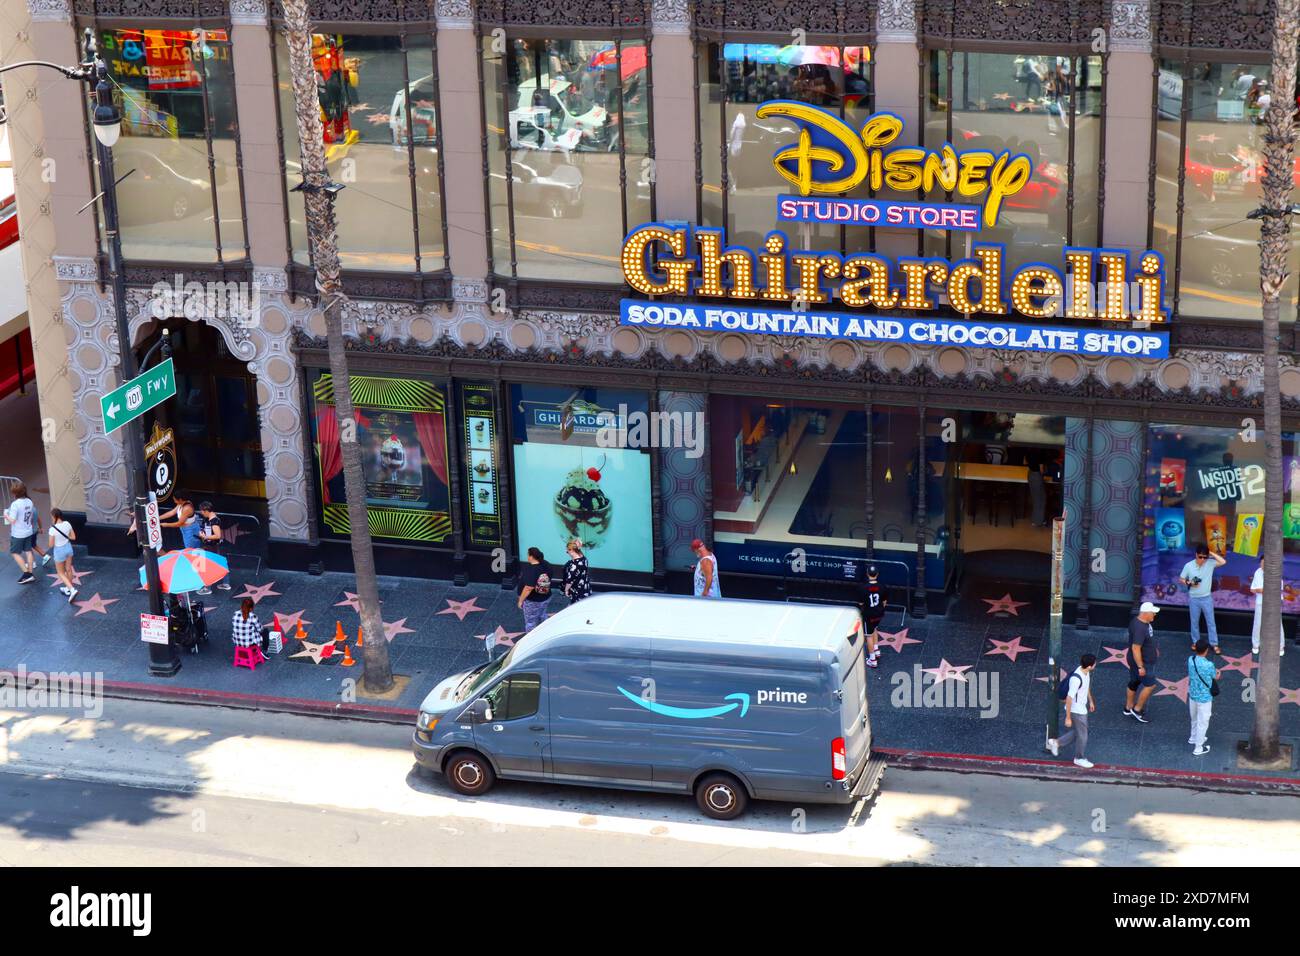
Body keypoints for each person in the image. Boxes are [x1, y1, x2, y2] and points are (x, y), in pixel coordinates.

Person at [1047, 653, 1097, 768]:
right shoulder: (1076, 679)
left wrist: (1090, 700)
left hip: (1081, 707)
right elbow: (1069, 698)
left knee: (1080, 732)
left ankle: (1057, 742)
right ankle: (1079, 758)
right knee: (1083, 734)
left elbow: (1086, 685)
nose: (1095, 665)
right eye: (1094, 664)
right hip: (1077, 710)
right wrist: (1068, 717)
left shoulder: (1084, 671)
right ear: (1089, 666)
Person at [1181, 543, 1226, 654]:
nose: (1202, 559)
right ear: (1196, 555)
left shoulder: (1210, 563)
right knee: (1194, 621)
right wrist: (1189, 582)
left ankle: (1214, 644)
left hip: (1206, 598)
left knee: (1211, 621)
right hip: (1194, 598)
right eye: (1200, 556)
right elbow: (1181, 579)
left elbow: (1223, 561)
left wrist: (1210, 553)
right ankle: (1195, 642)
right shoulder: (1188, 565)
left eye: (1204, 557)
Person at [1124, 601, 1162, 723]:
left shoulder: (1139, 622)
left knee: (1134, 682)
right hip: (1142, 662)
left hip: (1138, 660)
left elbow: (1146, 640)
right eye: (1153, 613)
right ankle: (1137, 709)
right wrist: (1141, 666)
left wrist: (1153, 648)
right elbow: (1136, 648)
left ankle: (1128, 707)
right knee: (1151, 685)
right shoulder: (1140, 628)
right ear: (1145, 613)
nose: (1154, 615)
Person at [1250, 553, 1285, 657]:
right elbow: (1252, 589)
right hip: (1260, 602)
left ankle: (1281, 646)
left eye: (1265, 563)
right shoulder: (1257, 572)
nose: (1263, 565)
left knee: (1278, 624)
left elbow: (1277, 590)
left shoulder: (1276, 573)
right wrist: (1260, 590)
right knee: (1257, 624)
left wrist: (1264, 590)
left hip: (1274, 603)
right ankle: (1255, 645)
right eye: (1261, 563)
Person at [1187, 638, 1218, 756]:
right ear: (1206, 651)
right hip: (1204, 698)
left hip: (1192, 695)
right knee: (1203, 722)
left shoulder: (1191, 659)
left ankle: (1193, 737)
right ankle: (1198, 748)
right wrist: (1218, 673)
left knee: (1194, 718)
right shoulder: (1209, 664)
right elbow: (1215, 676)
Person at [4, 481, 38, 584]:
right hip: (28, 530)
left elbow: (12, 520)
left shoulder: (15, 504)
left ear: (15, 493)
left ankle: (27, 573)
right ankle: (30, 572)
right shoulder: (29, 501)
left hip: (18, 533)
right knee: (28, 551)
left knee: (14, 553)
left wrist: (6, 515)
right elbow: (31, 516)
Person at [196, 502, 230, 595]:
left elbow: (217, 535)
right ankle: (225, 583)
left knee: (208, 566)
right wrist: (201, 533)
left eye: (202, 511)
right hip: (209, 545)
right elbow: (204, 529)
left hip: (214, 546)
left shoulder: (214, 521)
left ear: (206, 511)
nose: (202, 513)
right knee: (220, 563)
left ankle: (207, 588)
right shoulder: (207, 519)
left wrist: (206, 537)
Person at [517, 546, 553, 633]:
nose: (527, 557)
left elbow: (528, 588)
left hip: (533, 601)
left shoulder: (532, 570)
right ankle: (546, 631)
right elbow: (550, 575)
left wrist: (521, 601)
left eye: (528, 555)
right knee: (542, 614)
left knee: (530, 621)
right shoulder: (546, 564)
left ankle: (530, 639)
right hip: (547, 596)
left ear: (531, 557)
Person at [47, 508, 78, 603]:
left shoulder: (52, 529)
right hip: (68, 548)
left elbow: (51, 545)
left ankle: (72, 589)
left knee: (60, 572)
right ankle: (69, 588)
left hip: (59, 551)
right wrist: (64, 537)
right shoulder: (67, 523)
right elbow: (73, 537)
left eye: (51, 516)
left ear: (55, 517)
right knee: (68, 569)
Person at [860, 564, 885, 669]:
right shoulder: (882, 587)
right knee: (875, 629)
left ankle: (872, 659)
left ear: (867, 574)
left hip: (868, 615)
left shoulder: (863, 588)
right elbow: (884, 602)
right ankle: (876, 650)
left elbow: (861, 604)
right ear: (877, 574)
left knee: (868, 636)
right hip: (879, 614)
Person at [562, 538, 591, 604]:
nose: (567, 553)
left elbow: (570, 581)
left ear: (572, 551)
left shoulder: (574, 566)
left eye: (567, 551)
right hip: (585, 588)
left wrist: (566, 590)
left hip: (577, 592)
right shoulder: (584, 558)